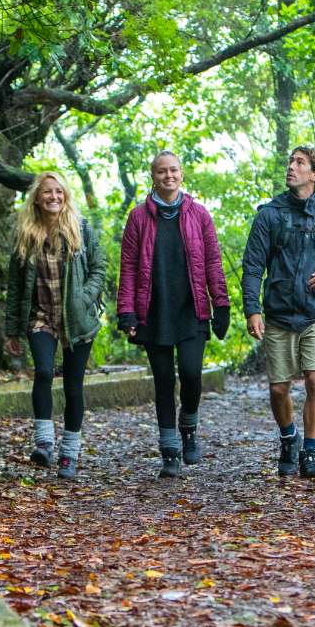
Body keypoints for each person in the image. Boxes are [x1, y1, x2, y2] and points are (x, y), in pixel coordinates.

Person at [241, 145, 315, 479]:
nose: (290, 167)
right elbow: (252, 266)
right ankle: (288, 436)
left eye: (299, 163)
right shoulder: (269, 215)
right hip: (278, 313)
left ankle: (310, 451)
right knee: (279, 388)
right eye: (290, 161)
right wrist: (253, 309)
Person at [117, 152, 230, 479]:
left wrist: (220, 304)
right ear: (153, 176)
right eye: (162, 171)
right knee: (164, 381)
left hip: (191, 308)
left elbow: (212, 262)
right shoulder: (138, 217)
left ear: (182, 174)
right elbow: (128, 268)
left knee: (192, 374)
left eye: (174, 170)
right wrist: (127, 312)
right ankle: (169, 450)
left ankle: (189, 429)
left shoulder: (199, 215)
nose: (169, 176)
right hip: (153, 312)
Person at [3, 172, 106, 481]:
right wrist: (11, 330)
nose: (53, 197)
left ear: (65, 196)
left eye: (58, 192)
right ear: (37, 197)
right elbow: (15, 285)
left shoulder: (81, 228)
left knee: (74, 386)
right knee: (45, 372)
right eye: (47, 192)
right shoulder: (26, 234)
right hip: (40, 318)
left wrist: (84, 298)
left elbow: (100, 268)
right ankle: (44, 442)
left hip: (77, 320)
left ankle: (69, 455)